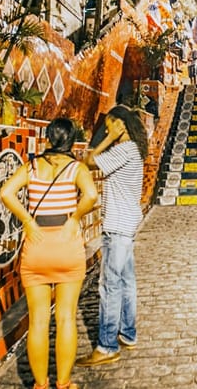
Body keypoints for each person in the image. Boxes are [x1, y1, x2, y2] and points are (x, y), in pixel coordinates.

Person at [0, 118, 98, 389]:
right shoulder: (75, 168)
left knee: (38, 321)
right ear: (70, 140)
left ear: (48, 138)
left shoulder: (31, 167)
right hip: (67, 245)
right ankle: (63, 383)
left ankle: (40, 385)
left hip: (37, 244)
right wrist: (75, 218)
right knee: (65, 317)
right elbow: (91, 195)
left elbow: (6, 192)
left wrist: (28, 221)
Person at [76, 105, 148, 367]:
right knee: (127, 282)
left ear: (121, 125)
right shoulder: (133, 150)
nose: (107, 130)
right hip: (126, 223)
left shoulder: (123, 149)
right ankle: (127, 333)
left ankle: (107, 347)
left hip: (118, 225)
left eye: (110, 125)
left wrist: (108, 138)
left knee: (110, 286)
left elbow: (89, 160)